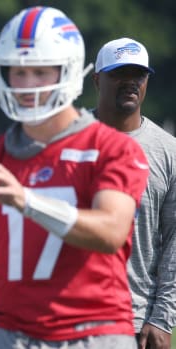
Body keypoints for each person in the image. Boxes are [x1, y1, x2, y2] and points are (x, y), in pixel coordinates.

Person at [0, 6, 150, 349]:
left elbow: (111, 232)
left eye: (40, 72)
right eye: (18, 72)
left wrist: (27, 200)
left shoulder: (111, 148)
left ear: (68, 72)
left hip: (94, 333)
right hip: (12, 334)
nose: (26, 85)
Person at [92, 37, 176, 349]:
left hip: (136, 323)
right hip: (68, 317)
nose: (130, 82)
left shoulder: (168, 151)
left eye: (138, 75)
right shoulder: (67, 140)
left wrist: (162, 317)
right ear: (97, 80)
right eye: (119, 73)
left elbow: (174, 242)